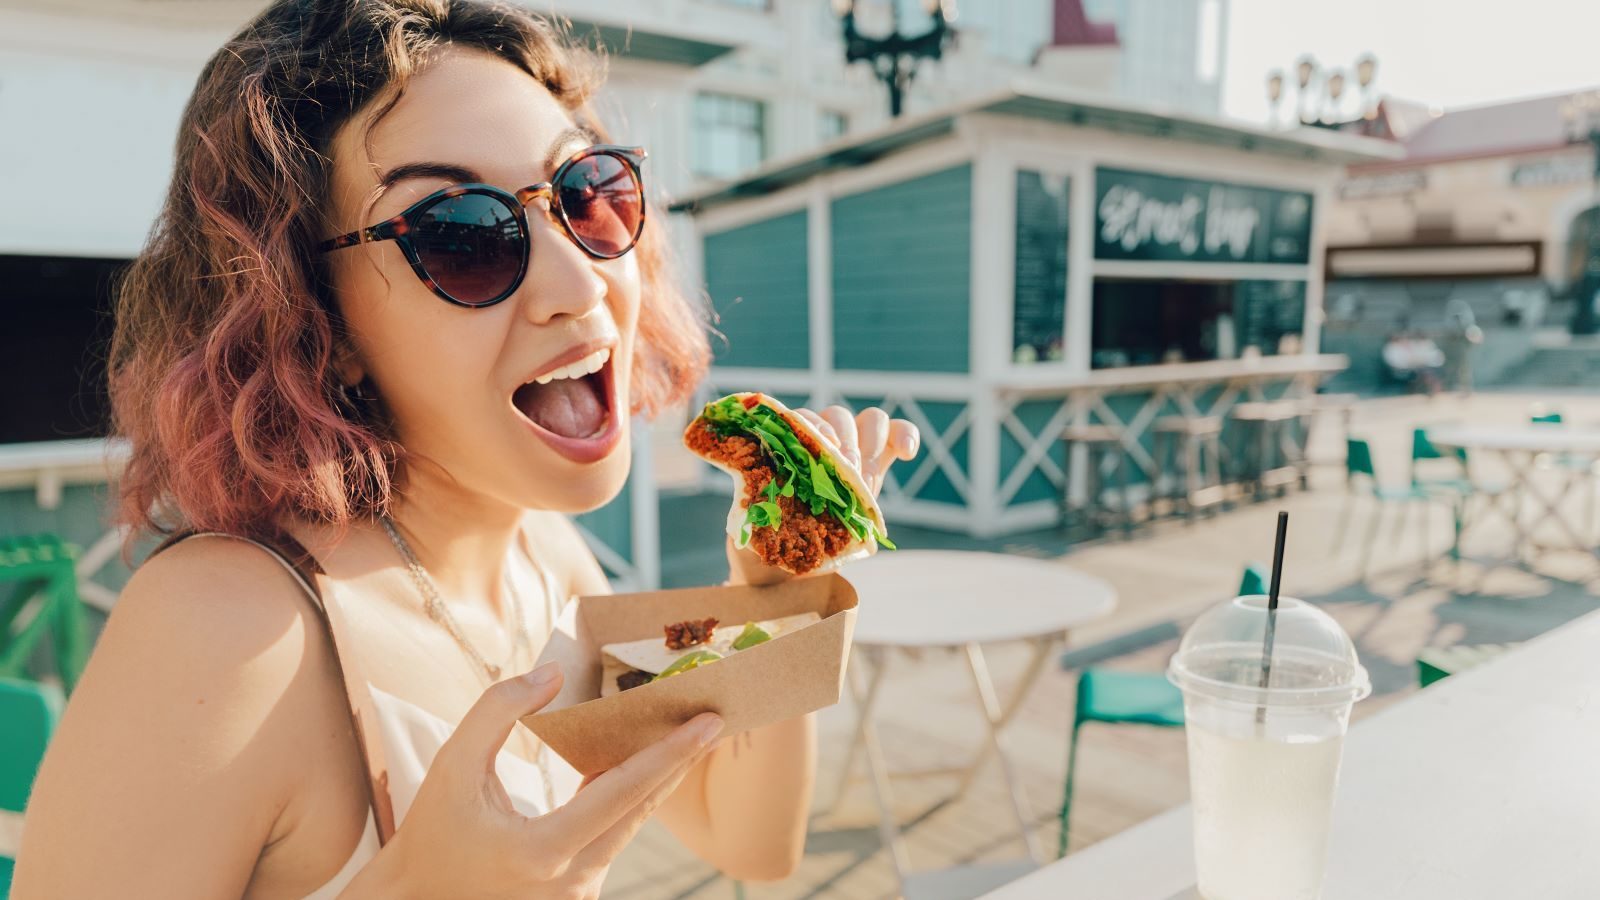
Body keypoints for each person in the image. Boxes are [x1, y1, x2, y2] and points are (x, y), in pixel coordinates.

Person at [12, 2, 920, 897]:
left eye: (586, 192)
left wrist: (776, 592)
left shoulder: (552, 568)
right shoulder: (227, 630)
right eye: (463, 236)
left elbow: (749, 840)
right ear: (314, 323)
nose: (580, 285)